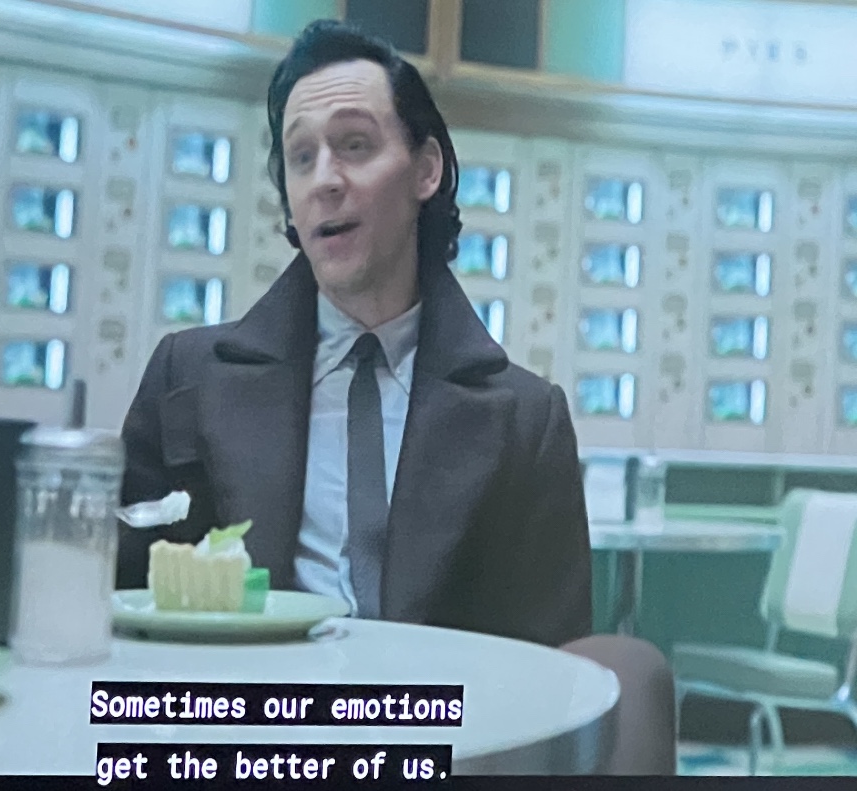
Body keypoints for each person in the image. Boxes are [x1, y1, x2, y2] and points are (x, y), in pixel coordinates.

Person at [116, 19, 592, 649]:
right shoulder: (187, 377)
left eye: (355, 145)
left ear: (426, 170)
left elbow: (552, 666)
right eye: (301, 157)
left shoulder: (528, 420)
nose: (324, 180)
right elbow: (120, 612)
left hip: (439, 710)